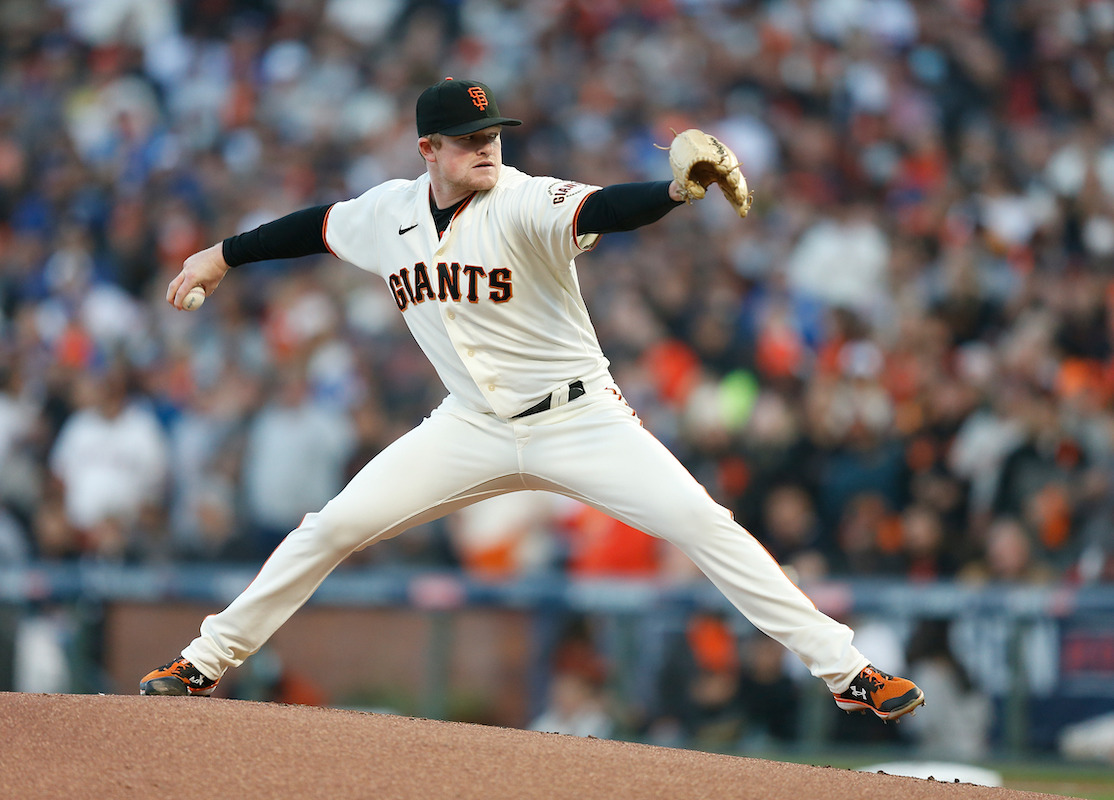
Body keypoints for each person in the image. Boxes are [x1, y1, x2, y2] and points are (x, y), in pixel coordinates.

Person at [141, 78, 924, 721]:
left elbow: (605, 208)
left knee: (701, 523)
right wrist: (220, 256)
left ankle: (847, 670)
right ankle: (206, 662)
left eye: (493, 134)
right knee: (333, 525)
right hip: (469, 425)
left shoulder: (522, 199)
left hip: (580, 418)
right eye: (469, 138)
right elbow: (315, 227)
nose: (487, 147)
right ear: (428, 151)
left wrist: (675, 193)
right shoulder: (388, 214)